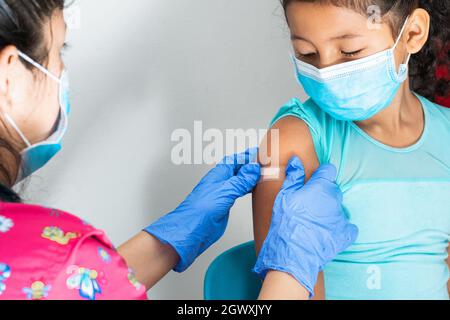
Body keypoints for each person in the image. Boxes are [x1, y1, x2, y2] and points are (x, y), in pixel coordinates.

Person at [0, 0, 357, 300]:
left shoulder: (49, 263)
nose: (61, 71)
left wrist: (166, 241)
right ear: (11, 75)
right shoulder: (53, 258)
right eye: (59, 51)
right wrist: (292, 268)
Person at [253, 0, 450, 300]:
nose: (326, 73)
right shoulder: (296, 139)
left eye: (350, 51)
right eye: (307, 54)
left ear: (412, 33)